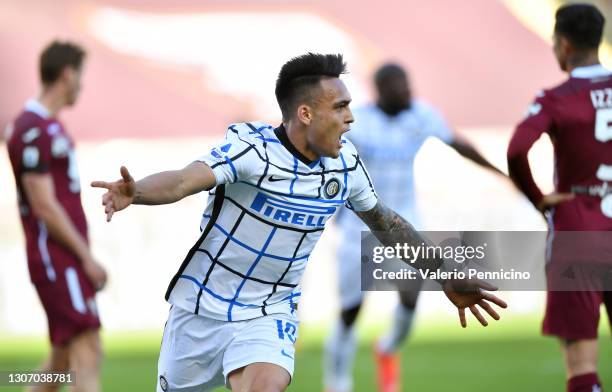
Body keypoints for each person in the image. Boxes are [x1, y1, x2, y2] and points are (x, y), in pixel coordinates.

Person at [92, 53, 506, 392]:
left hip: (269, 310)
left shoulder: (345, 165)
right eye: (340, 107)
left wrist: (444, 274)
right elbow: (185, 179)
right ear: (306, 113)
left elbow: (385, 222)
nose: (350, 119)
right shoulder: (251, 150)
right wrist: (137, 191)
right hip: (200, 306)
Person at [324, 63, 506, 392]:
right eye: (400, 88)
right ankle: (337, 382)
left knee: (411, 297)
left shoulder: (420, 115)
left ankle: (388, 346)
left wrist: (503, 175)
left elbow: (458, 145)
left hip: (405, 221)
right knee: (351, 310)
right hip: (357, 225)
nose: (408, 93)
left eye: (408, 86)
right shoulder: (357, 122)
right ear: (380, 91)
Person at [507, 4, 611, 392]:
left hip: (578, 229)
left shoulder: (557, 98)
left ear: (564, 45)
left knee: (581, 363)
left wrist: (538, 198)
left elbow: (518, 149)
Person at [6, 41, 107, 392]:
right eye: (80, 75)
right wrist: (86, 258)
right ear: (67, 74)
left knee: (61, 364)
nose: (81, 84)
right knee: (88, 349)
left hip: (63, 255)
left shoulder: (46, 126)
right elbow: (44, 205)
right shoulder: (31, 129)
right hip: (56, 256)